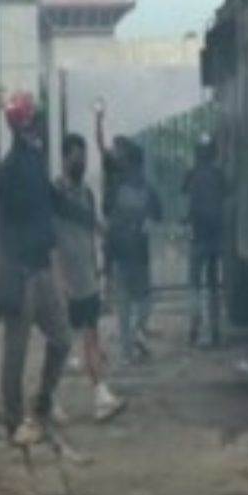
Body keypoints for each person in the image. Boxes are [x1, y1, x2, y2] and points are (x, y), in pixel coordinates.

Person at [0, 93, 72, 447]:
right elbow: (10, 225)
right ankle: (14, 421)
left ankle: (42, 402)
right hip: (22, 271)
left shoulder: (33, 160)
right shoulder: (10, 170)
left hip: (39, 267)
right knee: (16, 350)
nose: (39, 125)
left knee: (62, 338)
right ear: (24, 124)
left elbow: (47, 207)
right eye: (35, 119)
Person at [54, 133, 125, 422]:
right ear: (65, 158)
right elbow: (51, 241)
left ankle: (101, 396)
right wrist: (59, 279)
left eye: (83, 157)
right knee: (62, 344)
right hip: (67, 280)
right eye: (75, 156)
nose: (80, 162)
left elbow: (93, 230)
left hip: (86, 277)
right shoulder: (55, 195)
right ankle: (50, 397)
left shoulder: (86, 194)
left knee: (91, 337)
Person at [105, 140, 162, 363]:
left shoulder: (117, 185)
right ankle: (139, 329)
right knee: (146, 299)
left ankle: (127, 352)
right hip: (139, 252)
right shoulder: (148, 187)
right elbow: (159, 213)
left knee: (124, 305)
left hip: (120, 251)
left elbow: (107, 212)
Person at [182, 135, 228, 349]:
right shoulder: (219, 174)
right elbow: (229, 191)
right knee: (213, 286)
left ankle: (194, 327)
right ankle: (215, 331)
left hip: (198, 237)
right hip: (216, 237)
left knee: (194, 285)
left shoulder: (193, 174)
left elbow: (183, 192)